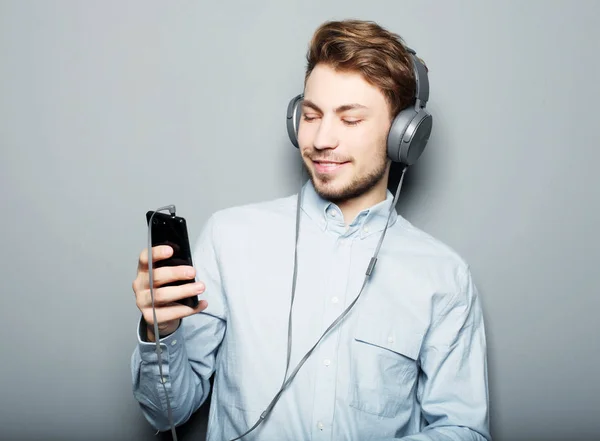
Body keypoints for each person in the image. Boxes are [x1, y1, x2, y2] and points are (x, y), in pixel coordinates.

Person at [131, 19, 491, 441]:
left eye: (350, 120)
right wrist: (162, 331)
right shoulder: (229, 238)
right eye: (312, 115)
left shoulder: (444, 276)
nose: (321, 139)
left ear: (402, 135)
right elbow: (166, 415)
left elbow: (463, 430)